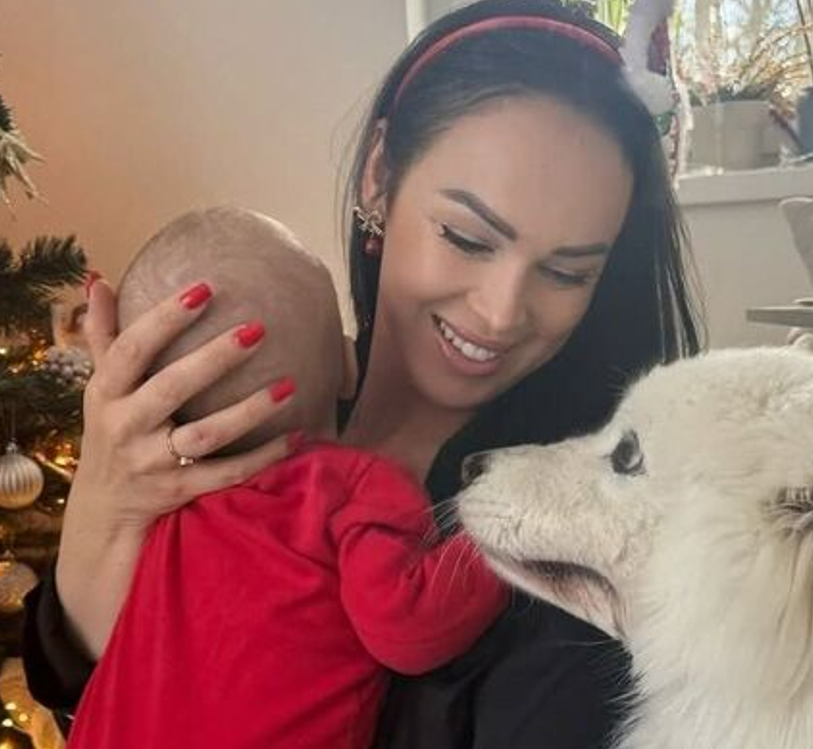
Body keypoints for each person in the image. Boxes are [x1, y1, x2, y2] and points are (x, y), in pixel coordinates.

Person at [23, 0, 703, 747]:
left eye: (567, 273)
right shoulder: (227, 414)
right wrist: (103, 510)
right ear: (380, 173)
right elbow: (80, 685)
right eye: (467, 237)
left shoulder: (574, 553)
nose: (501, 312)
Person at [64, 206, 506, 748]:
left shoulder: (166, 509)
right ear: (348, 366)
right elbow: (408, 627)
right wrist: (500, 532)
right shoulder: (351, 489)